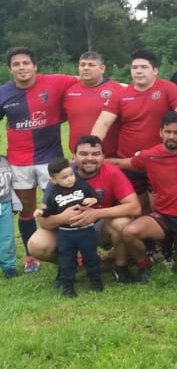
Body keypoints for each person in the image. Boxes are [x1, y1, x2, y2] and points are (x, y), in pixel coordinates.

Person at [0, 47, 77, 273]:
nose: (21, 67)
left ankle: (71, 251)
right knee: (26, 209)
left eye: (26, 63)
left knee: (62, 205)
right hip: (19, 161)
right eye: (16, 64)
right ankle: (32, 256)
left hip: (51, 160)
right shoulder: (4, 92)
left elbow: (86, 79)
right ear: (10, 69)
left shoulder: (55, 82)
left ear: (35, 66)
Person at [26, 135, 141, 282]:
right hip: (67, 229)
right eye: (84, 154)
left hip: (99, 226)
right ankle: (71, 265)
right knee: (36, 245)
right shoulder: (61, 175)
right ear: (74, 157)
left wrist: (95, 214)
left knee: (122, 222)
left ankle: (120, 268)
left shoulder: (112, 172)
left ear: (103, 156)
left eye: (95, 154)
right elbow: (43, 221)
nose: (90, 158)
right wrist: (63, 218)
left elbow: (135, 207)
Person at [92, 49, 177, 208]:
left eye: (143, 67)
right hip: (129, 162)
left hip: (160, 160)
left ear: (155, 70)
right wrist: (92, 147)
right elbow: (103, 123)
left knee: (160, 207)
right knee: (132, 207)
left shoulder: (168, 88)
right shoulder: (120, 94)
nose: (138, 71)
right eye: (135, 67)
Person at [119, 112, 177, 282]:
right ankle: (145, 266)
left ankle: (172, 250)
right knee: (129, 232)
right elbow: (121, 164)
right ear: (160, 132)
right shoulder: (149, 155)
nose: (172, 136)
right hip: (164, 218)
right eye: (168, 132)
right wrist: (93, 160)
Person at [35, 156, 101, 297]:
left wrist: (93, 199)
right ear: (54, 180)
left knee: (91, 257)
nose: (70, 179)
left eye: (71, 174)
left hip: (86, 230)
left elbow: (97, 196)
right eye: (64, 177)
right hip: (66, 234)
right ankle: (68, 287)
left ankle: (96, 282)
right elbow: (50, 210)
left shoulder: (82, 185)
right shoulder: (53, 193)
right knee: (66, 260)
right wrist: (41, 211)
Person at [62, 50, 122, 158]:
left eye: (91, 65)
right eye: (82, 65)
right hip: (78, 157)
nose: (86, 68)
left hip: (110, 157)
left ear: (102, 68)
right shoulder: (69, 91)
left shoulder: (118, 90)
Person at [0, 155, 19, 278]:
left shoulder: (5, 161)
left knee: (7, 237)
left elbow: (11, 185)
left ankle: (9, 267)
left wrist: (15, 203)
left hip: (4, 203)